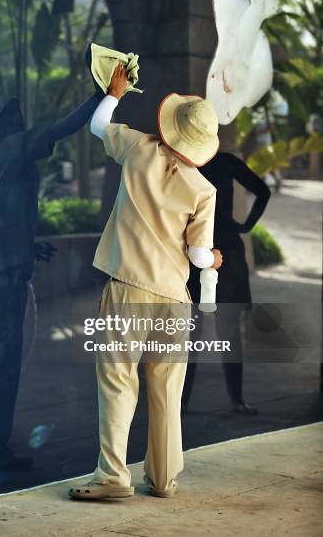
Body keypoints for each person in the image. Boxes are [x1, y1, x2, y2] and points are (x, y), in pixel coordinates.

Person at [69, 66, 222, 500]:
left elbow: (99, 125)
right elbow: (197, 256)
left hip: (128, 288)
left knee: (118, 382)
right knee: (166, 391)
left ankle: (114, 478)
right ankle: (163, 478)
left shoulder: (138, 147)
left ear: (169, 126)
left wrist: (115, 92)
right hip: (174, 298)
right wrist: (213, 258)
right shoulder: (204, 189)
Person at [0, 91, 102, 485]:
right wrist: (101, 96)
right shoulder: (7, 151)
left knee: (2, 368)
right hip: (1, 279)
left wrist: (28, 245)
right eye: (11, 121)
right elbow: (63, 127)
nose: (20, 124)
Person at [182, 152, 271, 415]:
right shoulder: (225, 161)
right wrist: (245, 226)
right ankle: (236, 400)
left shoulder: (185, 160)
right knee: (225, 329)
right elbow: (263, 192)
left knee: (191, 331)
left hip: (194, 248)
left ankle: (182, 402)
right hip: (225, 246)